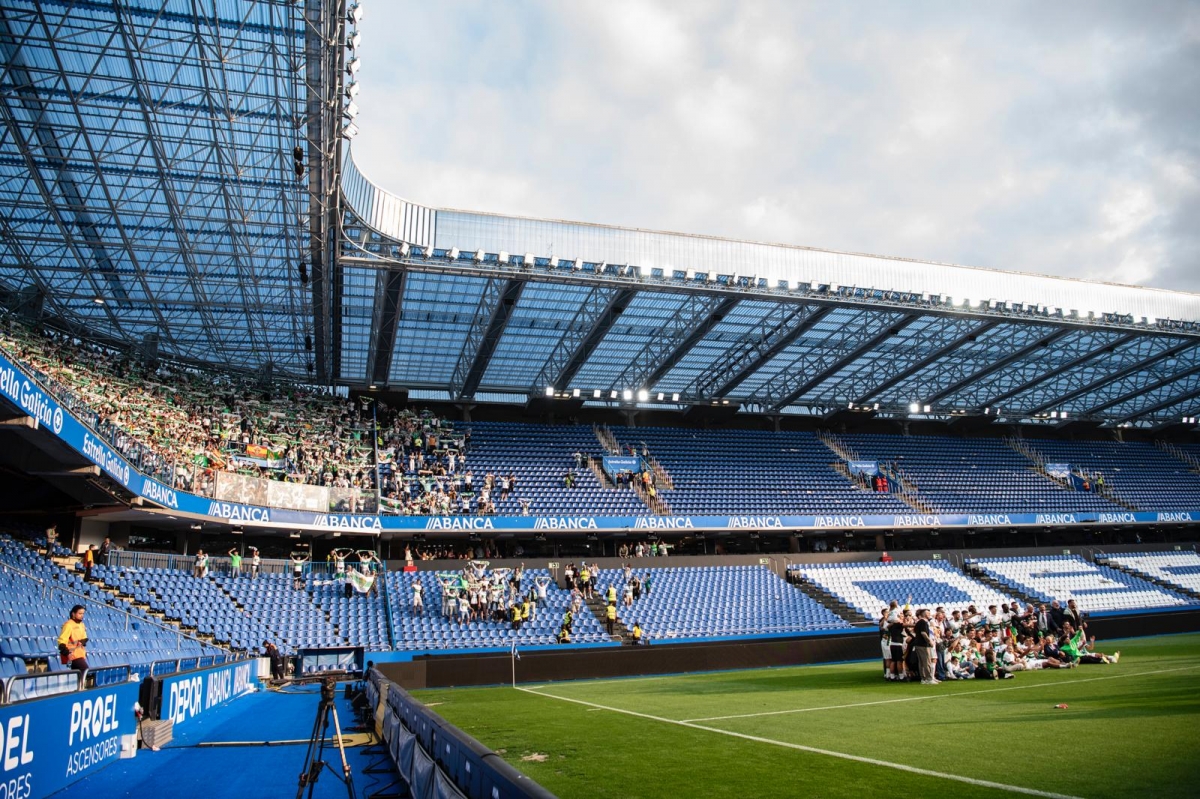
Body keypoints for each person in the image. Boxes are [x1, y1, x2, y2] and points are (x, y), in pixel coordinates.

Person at [58, 604, 89, 672]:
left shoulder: (82, 624)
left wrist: (83, 641)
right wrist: (67, 653)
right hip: (72, 655)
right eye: (80, 613)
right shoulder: (68, 625)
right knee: (84, 670)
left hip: (80, 654)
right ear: (73, 614)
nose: (82, 615)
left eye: (83, 613)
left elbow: (85, 638)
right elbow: (62, 641)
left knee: (79, 674)